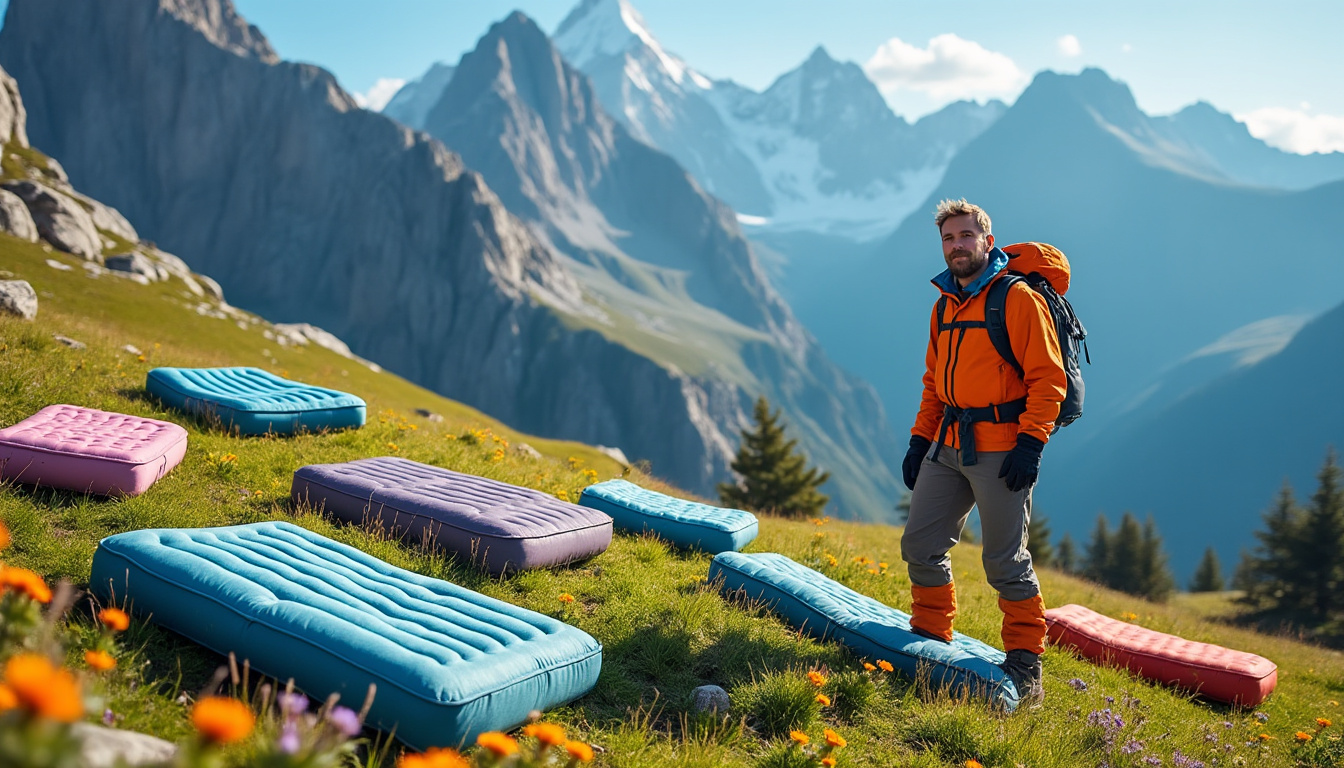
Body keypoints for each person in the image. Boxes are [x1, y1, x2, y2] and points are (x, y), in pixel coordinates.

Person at [899, 198, 1067, 705]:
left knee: (1005, 562)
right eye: (948, 239)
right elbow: (934, 383)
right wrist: (918, 439)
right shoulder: (943, 305)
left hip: (1002, 450)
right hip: (947, 444)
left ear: (987, 242)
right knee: (919, 546)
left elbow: (1048, 378)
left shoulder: (1016, 299)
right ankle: (930, 639)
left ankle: (1025, 663)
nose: (956, 246)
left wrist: (1031, 443)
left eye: (966, 236)